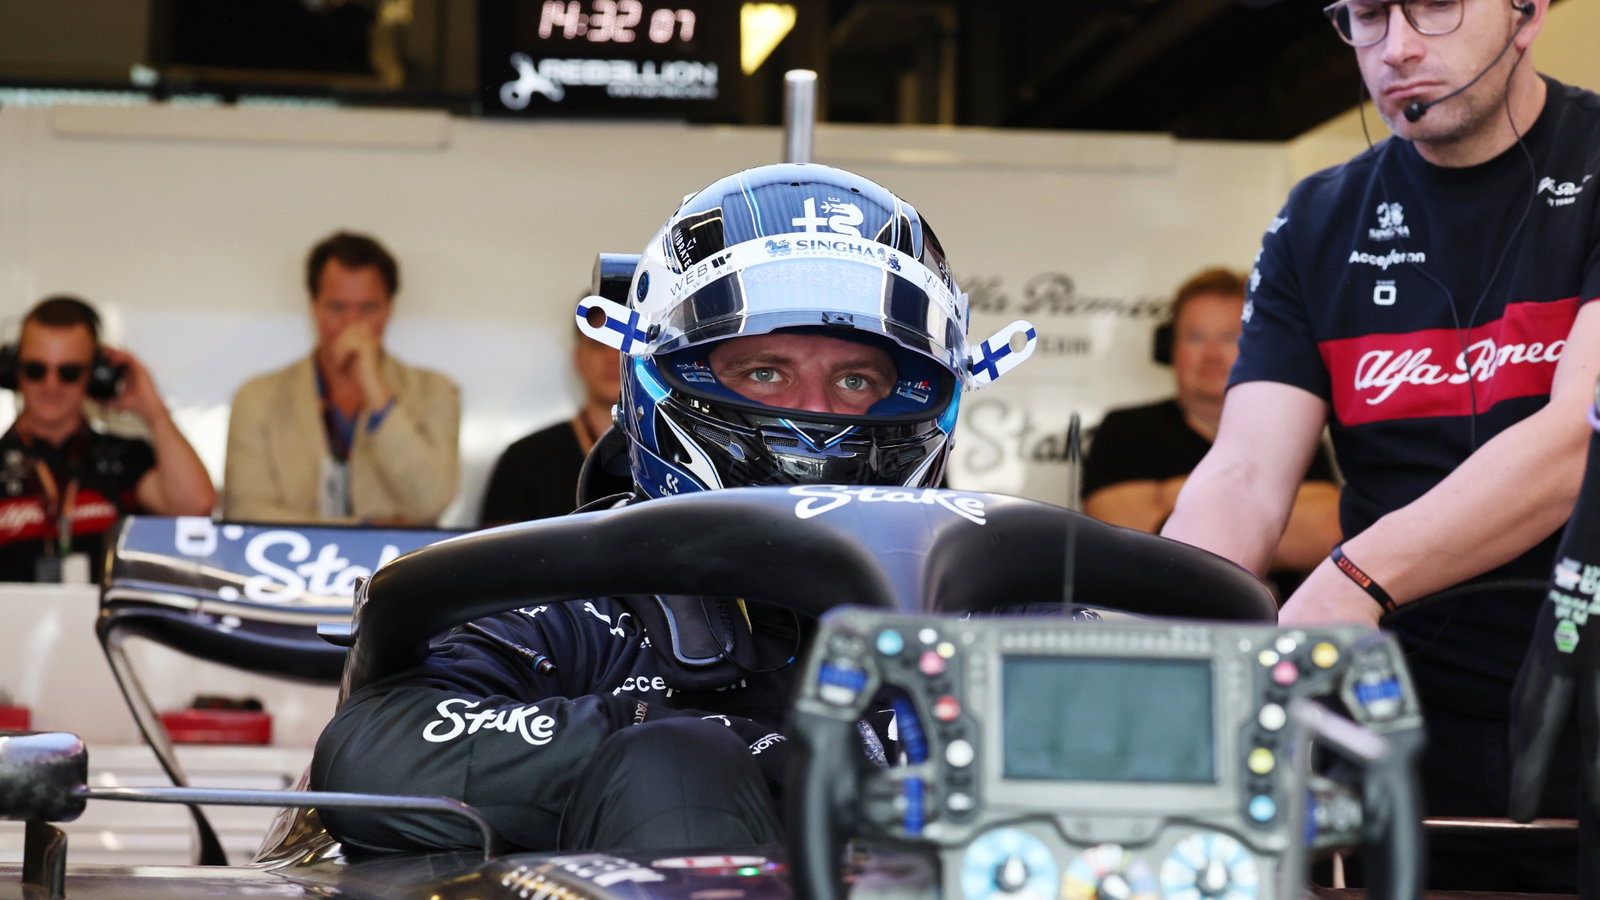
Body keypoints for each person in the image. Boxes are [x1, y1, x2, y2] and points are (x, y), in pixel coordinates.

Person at [310, 163, 1035, 854]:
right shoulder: (571, 598)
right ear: (663, 376)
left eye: (855, 379)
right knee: (675, 762)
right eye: (764, 373)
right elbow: (370, 753)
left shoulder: (990, 613)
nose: (815, 413)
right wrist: (710, 735)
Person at [1161, 0, 1600, 890]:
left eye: (1435, 6)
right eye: (1366, 15)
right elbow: (1243, 473)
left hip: (1578, 706)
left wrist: (1349, 578)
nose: (1396, 47)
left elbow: (1576, 439)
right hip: (1389, 729)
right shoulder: (1317, 217)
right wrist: (1157, 635)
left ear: (1527, 13)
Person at [1083, 267, 1341, 591]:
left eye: (1230, 338)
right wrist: (1268, 515)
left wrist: (1179, 500)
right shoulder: (1125, 430)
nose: (1211, 356)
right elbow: (1123, 537)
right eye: (1195, 337)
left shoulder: (1294, 432)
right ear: (1168, 348)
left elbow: (1327, 532)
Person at [224, 231, 460, 525]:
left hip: (395, 568)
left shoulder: (435, 391)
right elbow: (244, 513)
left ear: (389, 309)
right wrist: (363, 528)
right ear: (314, 306)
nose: (352, 324)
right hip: (285, 566)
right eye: (337, 308)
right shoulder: (257, 398)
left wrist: (376, 392)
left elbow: (432, 502)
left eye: (368, 308)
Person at [0, 296, 215, 582]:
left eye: (69, 372)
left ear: (96, 375)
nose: (51, 385)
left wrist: (153, 411)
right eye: (36, 370)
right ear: (14, 370)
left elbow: (194, 506)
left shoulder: (125, 457)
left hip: (105, 625)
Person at [478, 315, 630, 526]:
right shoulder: (522, 459)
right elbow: (496, 556)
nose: (612, 357)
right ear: (578, 358)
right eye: (597, 344)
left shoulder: (675, 456)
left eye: (622, 343)